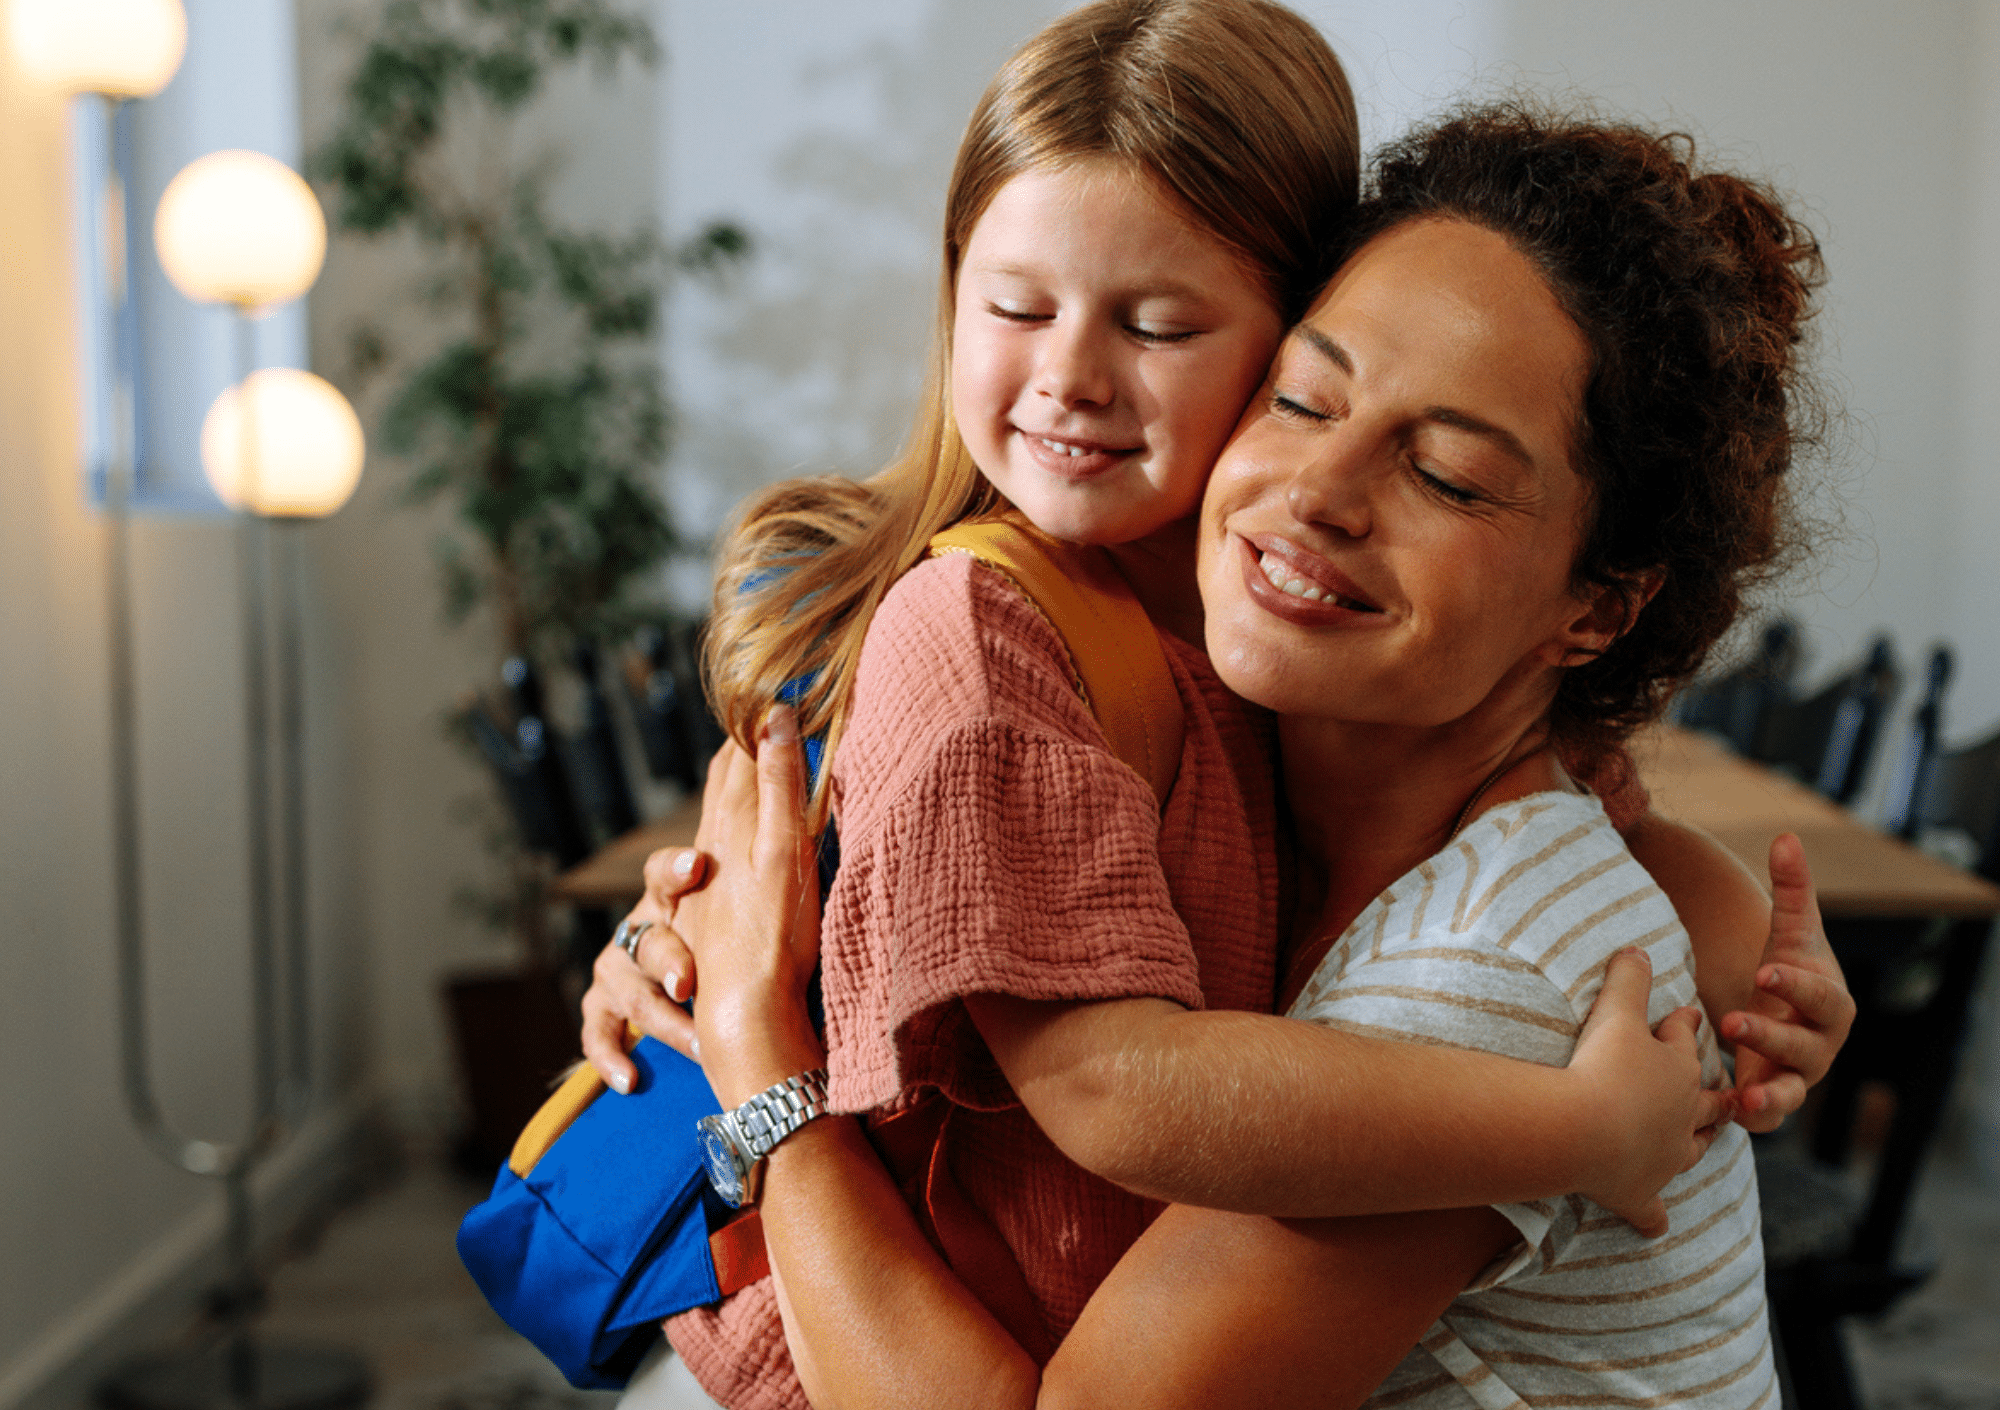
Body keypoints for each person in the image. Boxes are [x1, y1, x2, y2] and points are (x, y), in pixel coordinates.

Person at [583, 3, 1850, 1404]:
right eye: (1313, 403)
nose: (1071, 375)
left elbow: (1599, 868)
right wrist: (723, 993)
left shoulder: (1276, 686)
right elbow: (1103, 1074)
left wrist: (1752, 970)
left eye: (1164, 323)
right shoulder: (1032, 631)